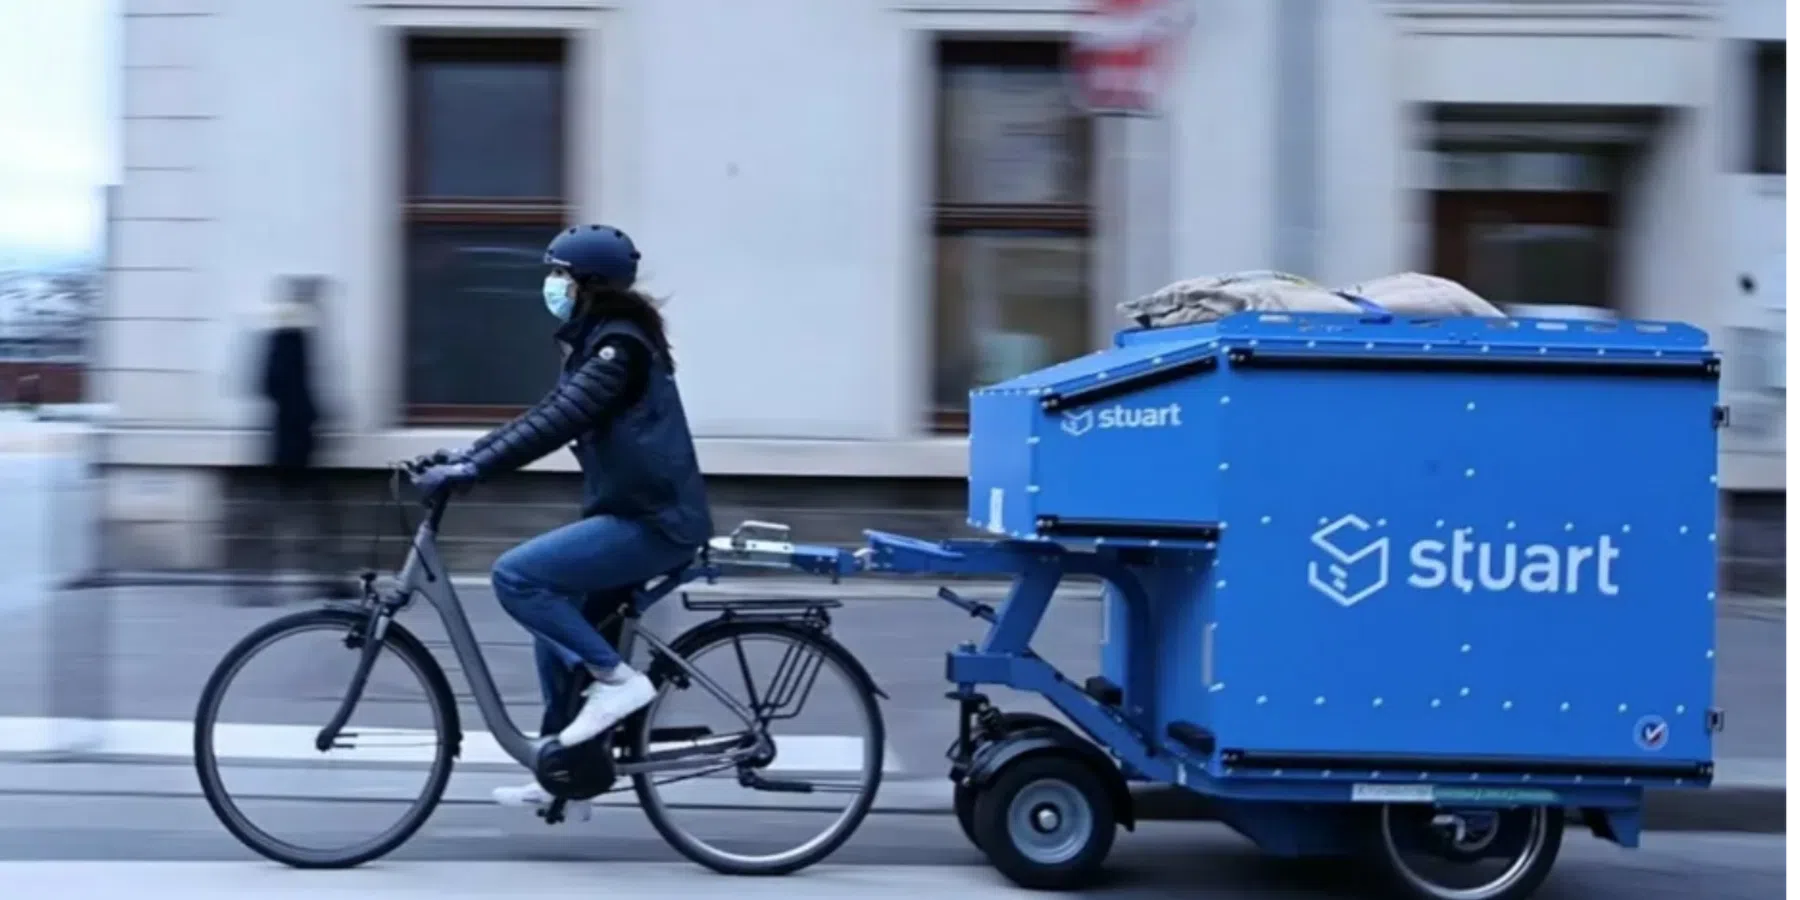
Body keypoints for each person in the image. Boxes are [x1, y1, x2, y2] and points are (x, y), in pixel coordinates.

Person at [409, 225, 713, 817]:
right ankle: (566, 771)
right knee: (558, 624)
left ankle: (618, 683)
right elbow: (546, 413)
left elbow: (559, 421)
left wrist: (474, 471)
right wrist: (465, 457)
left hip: (653, 523)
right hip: (635, 513)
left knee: (518, 578)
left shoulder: (616, 349)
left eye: (560, 276)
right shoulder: (601, 341)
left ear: (588, 285)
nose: (551, 287)